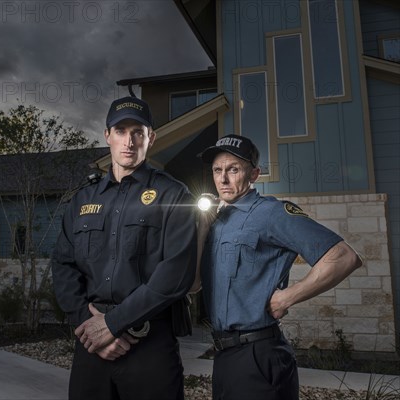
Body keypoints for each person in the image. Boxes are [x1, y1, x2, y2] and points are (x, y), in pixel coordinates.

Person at [51, 96, 198, 400]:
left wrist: (114, 325)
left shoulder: (173, 194)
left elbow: (175, 274)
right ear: (107, 135)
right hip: (91, 340)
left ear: (150, 138)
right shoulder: (82, 200)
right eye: (120, 131)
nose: (129, 141)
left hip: (149, 344)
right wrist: (86, 322)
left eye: (138, 132)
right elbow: (63, 265)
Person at [197, 134, 363, 400]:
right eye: (218, 170)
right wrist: (203, 226)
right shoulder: (217, 222)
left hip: (259, 355)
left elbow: (343, 257)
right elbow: (195, 285)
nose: (223, 179)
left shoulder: (272, 213)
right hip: (225, 356)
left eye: (234, 169)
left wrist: (287, 297)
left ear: (254, 174)